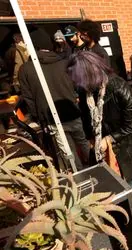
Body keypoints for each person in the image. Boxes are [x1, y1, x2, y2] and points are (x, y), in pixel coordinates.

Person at [67, 51, 132, 204]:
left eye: (78, 77)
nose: (76, 82)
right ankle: (123, 198)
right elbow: (86, 117)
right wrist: (91, 137)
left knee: (131, 173)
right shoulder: (87, 90)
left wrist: (110, 138)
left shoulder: (118, 86)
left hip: (125, 140)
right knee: (113, 174)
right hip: (102, 140)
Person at [18, 28, 90, 170]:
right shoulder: (64, 63)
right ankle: (97, 165)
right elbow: (76, 86)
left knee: (68, 151)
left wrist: (38, 119)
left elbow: (29, 98)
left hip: (52, 119)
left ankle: (81, 174)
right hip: (72, 112)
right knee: (83, 142)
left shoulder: (26, 69)